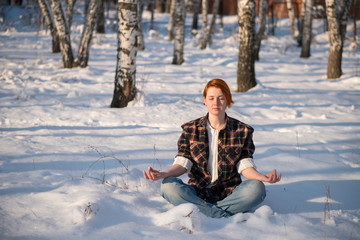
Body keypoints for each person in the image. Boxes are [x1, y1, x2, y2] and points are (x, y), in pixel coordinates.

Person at [143, 78, 281, 218]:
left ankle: (202, 212)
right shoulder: (190, 129)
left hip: (230, 194)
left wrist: (261, 177)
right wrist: (164, 174)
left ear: (227, 100)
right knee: (168, 186)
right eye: (211, 98)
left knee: (257, 188)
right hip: (197, 192)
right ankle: (220, 215)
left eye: (221, 98)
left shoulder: (242, 130)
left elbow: (245, 165)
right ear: (205, 100)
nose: (216, 103)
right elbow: (183, 163)